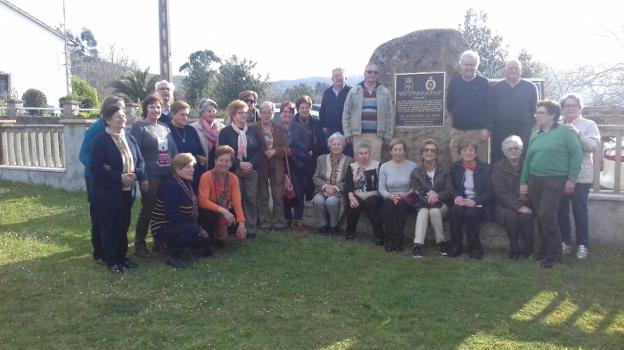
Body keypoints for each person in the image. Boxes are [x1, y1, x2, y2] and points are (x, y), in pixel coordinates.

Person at [520, 100, 583, 268]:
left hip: (555, 179)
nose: (537, 115)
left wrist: (571, 179)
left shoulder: (565, 132)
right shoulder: (535, 134)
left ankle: (554, 254)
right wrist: (524, 182)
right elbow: (527, 159)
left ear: (552, 115)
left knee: (546, 214)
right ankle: (544, 250)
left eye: (541, 113)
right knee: (541, 217)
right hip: (535, 179)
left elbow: (577, 155)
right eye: (537, 112)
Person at [90, 104, 145, 273]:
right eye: (117, 116)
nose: (122, 118)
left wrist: (135, 175)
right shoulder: (100, 140)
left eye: (123, 116)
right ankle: (111, 260)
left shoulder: (129, 138)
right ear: (107, 120)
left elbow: (141, 161)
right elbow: (96, 168)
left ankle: (123, 256)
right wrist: (119, 177)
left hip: (127, 191)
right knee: (109, 227)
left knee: (123, 226)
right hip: (107, 193)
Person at [130, 93, 178, 257]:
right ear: (146, 108)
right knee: (148, 209)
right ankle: (140, 243)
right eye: (152, 106)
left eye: (158, 107)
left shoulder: (165, 128)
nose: (156, 110)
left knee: (164, 209)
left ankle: (160, 240)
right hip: (150, 176)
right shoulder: (139, 128)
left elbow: (173, 150)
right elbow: (135, 155)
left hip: (167, 174)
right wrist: (142, 177)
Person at [78, 95, 125, 265]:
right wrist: (99, 167)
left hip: (112, 179)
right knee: (99, 216)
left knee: (113, 216)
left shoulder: (119, 130)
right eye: (117, 108)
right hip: (95, 178)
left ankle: (112, 249)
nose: (121, 112)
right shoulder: (97, 128)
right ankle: (99, 253)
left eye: (123, 108)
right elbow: (83, 153)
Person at [557, 94, 600, 259]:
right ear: (562, 109)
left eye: (574, 105)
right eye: (567, 105)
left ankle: (583, 244)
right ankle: (565, 243)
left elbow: (593, 147)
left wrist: (577, 133)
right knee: (561, 210)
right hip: (560, 174)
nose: (570, 108)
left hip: (582, 176)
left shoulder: (589, 125)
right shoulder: (558, 125)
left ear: (580, 108)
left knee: (579, 210)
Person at [150, 153, 212, 268]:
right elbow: (171, 215)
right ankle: (174, 256)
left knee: (204, 240)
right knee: (193, 229)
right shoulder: (171, 185)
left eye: (192, 167)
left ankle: (173, 245)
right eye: (188, 167)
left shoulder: (185, 182)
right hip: (163, 226)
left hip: (179, 224)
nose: (192, 170)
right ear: (178, 168)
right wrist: (196, 227)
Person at [218, 100, 264, 238]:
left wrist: (250, 164)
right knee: (235, 198)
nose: (243, 115)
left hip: (251, 169)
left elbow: (261, 149)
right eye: (240, 113)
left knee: (250, 198)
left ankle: (250, 227)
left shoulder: (253, 130)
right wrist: (239, 164)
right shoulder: (225, 132)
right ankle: (235, 226)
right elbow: (224, 152)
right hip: (233, 170)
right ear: (233, 114)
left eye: (245, 112)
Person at [491, 135, 535, 259]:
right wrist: (518, 206)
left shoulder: (528, 165)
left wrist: (525, 201)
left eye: (516, 148)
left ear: (521, 150)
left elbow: (534, 184)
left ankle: (528, 249)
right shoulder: (498, 167)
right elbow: (500, 192)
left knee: (526, 216)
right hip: (504, 205)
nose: (514, 151)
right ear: (505, 152)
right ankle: (514, 247)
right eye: (510, 149)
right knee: (511, 216)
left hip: (525, 202)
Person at [448, 139, 492, 259]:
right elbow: (450, 186)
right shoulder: (454, 168)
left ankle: (475, 247)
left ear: (476, 153)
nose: (468, 153)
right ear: (460, 154)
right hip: (461, 201)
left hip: (479, 204)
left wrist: (475, 201)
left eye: (471, 150)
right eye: (464, 150)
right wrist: (456, 196)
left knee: (470, 213)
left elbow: (491, 192)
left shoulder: (486, 169)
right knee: (455, 211)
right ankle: (456, 245)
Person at [489, 59, 538, 163]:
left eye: (516, 69)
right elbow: (491, 110)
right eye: (510, 68)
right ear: (504, 71)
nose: (513, 71)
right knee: (499, 160)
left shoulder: (530, 87)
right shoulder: (497, 88)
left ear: (521, 71)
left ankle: (523, 180)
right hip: (500, 131)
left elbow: (536, 110)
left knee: (523, 160)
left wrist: (534, 128)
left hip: (523, 131)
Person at [343, 63, 395, 161]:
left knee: (374, 165)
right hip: (358, 135)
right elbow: (346, 113)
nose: (372, 74)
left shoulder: (384, 92)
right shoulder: (354, 91)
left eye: (375, 72)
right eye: (369, 72)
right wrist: (347, 133)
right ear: (364, 73)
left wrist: (388, 135)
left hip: (376, 136)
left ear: (378, 75)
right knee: (359, 165)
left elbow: (390, 115)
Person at [198, 145, 247, 248]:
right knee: (208, 216)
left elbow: (236, 202)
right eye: (221, 160)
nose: (223, 163)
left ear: (231, 163)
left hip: (224, 209)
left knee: (239, 214)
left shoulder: (233, 178)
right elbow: (202, 201)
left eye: (227, 161)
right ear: (215, 161)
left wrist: (242, 224)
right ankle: (208, 242)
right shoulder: (206, 176)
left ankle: (221, 239)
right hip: (208, 210)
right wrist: (224, 211)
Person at [446, 50, 491, 162]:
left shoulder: (483, 83)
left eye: (472, 65)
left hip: (478, 132)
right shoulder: (455, 82)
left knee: (481, 164)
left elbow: (491, 107)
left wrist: (487, 129)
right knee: (457, 164)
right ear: (461, 65)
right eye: (466, 65)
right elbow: (450, 104)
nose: (469, 67)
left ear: (476, 66)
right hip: (458, 131)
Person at [411, 139, 452, 258]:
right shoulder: (416, 172)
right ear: (422, 154)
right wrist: (429, 197)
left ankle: (440, 243)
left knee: (434, 210)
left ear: (436, 154)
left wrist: (437, 196)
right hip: (423, 203)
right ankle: (418, 245)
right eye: (426, 150)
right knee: (424, 211)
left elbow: (449, 189)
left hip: (442, 205)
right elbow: (417, 190)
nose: (429, 152)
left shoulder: (445, 170)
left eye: (432, 150)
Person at [254, 101, 289, 230]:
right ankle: (265, 222)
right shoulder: (253, 128)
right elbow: (251, 147)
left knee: (278, 196)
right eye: (264, 112)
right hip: (261, 166)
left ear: (273, 114)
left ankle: (278, 222)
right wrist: (263, 152)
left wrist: (275, 151)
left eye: (269, 112)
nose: (266, 115)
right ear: (260, 113)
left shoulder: (279, 129)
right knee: (263, 196)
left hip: (277, 166)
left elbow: (287, 149)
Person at [379, 139, 418, 252]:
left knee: (401, 204)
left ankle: (399, 239)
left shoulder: (412, 166)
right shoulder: (384, 167)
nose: (398, 152)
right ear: (391, 151)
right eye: (395, 149)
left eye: (400, 149)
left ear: (404, 151)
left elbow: (415, 186)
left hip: (406, 197)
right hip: (389, 197)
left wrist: (406, 194)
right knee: (388, 204)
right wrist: (390, 196)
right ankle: (389, 239)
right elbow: (381, 188)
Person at [312, 132, 353, 235]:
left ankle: (333, 226)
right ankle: (322, 226)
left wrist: (335, 188)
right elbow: (315, 177)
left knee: (331, 202)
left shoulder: (349, 161)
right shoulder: (321, 159)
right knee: (318, 201)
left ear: (343, 146)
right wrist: (325, 187)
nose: (336, 146)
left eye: (339, 144)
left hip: (339, 192)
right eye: (333, 144)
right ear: (329, 146)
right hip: (322, 190)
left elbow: (349, 181)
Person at [280, 101, 310, 230]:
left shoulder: (300, 129)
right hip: (281, 165)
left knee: (298, 191)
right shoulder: (276, 128)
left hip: (297, 165)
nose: (287, 114)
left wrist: (294, 151)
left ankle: (297, 218)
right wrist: (282, 151)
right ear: (281, 113)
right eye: (285, 112)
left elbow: (306, 148)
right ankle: (287, 218)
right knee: (285, 192)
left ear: (293, 114)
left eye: (290, 112)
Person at [344, 143, 383, 242]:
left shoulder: (378, 165)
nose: (363, 155)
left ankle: (379, 235)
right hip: (357, 194)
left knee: (371, 204)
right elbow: (348, 184)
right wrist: (351, 197)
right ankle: (350, 232)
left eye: (366, 153)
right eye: (361, 153)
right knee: (354, 205)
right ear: (357, 155)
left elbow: (382, 183)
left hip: (374, 195)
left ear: (370, 154)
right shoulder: (352, 167)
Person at [166, 101, 206, 191]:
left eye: (187, 115)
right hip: (174, 174)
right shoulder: (165, 129)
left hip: (193, 173)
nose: (185, 118)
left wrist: (202, 161)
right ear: (173, 114)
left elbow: (200, 151)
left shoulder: (191, 129)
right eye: (182, 115)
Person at [319, 68, 352, 155]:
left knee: (345, 157)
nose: (338, 78)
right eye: (336, 76)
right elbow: (322, 111)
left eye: (341, 75)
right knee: (329, 157)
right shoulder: (327, 92)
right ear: (332, 78)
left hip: (345, 132)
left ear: (345, 78)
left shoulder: (351, 92)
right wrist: (323, 127)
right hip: (329, 131)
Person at [190, 98, 224, 171]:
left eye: (213, 111)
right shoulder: (194, 128)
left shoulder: (221, 127)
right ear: (202, 113)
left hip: (218, 164)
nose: (212, 113)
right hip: (201, 165)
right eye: (209, 111)